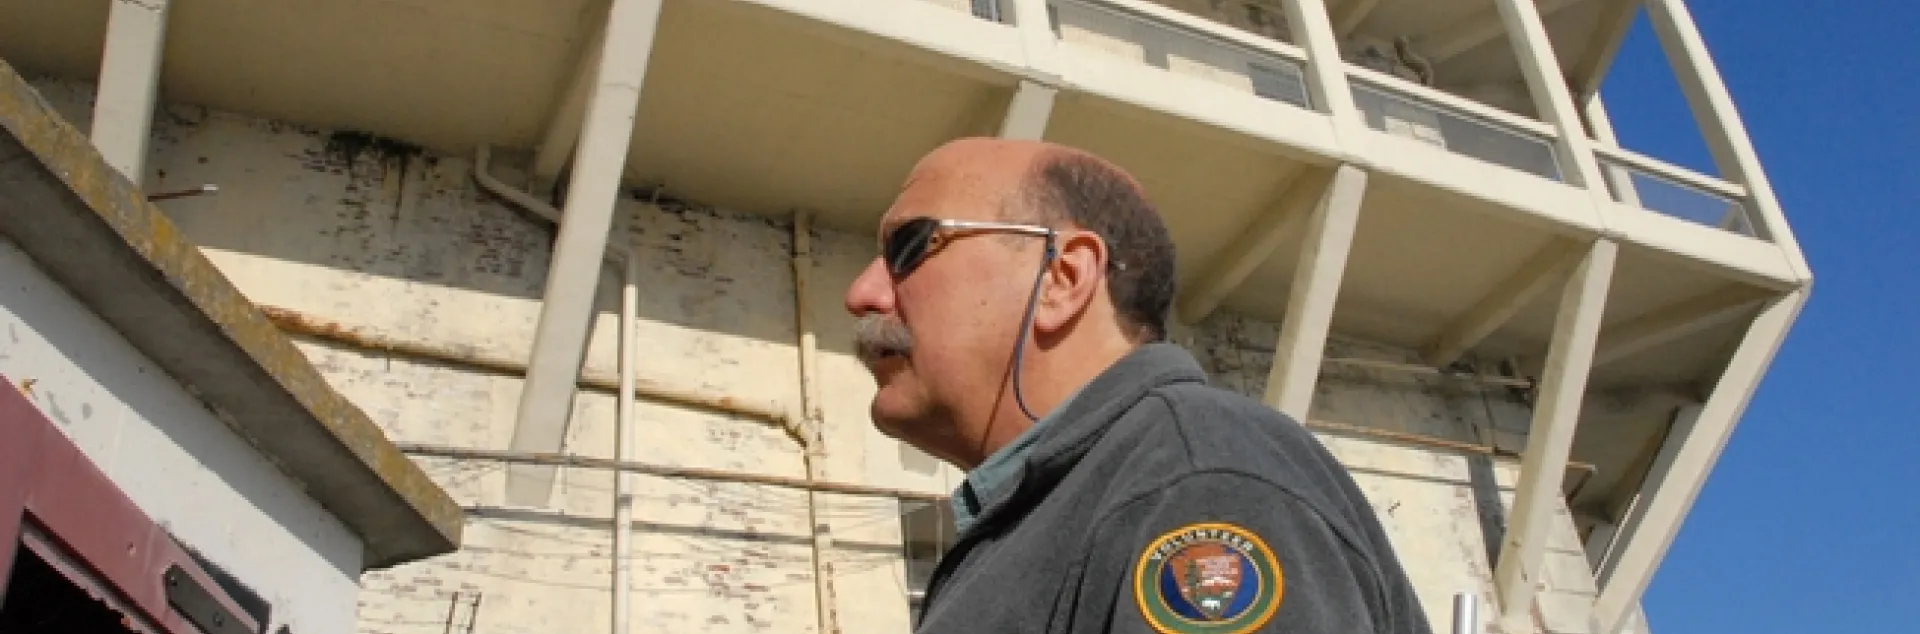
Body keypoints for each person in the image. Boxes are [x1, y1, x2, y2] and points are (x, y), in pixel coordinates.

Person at [844, 137, 1433, 634]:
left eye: (908, 247)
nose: (863, 294)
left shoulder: (1195, 477)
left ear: (1063, 278)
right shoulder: (1061, 508)